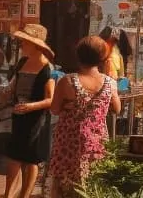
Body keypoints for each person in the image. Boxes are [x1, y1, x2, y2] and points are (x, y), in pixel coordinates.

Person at [49, 36, 121, 198]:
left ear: (78, 55)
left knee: (65, 186)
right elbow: (116, 109)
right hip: (96, 142)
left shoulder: (67, 82)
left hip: (68, 144)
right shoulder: (110, 83)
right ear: (102, 58)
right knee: (93, 184)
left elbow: (54, 109)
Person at [4, 25, 55, 198]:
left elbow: (50, 99)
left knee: (31, 159)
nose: (22, 45)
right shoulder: (22, 62)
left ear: (35, 45)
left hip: (36, 119)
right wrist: (8, 92)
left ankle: (24, 195)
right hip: (19, 115)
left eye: (25, 42)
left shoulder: (47, 68)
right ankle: (8, 193)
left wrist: (30, 107)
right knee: (13, 156)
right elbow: (14, 84)